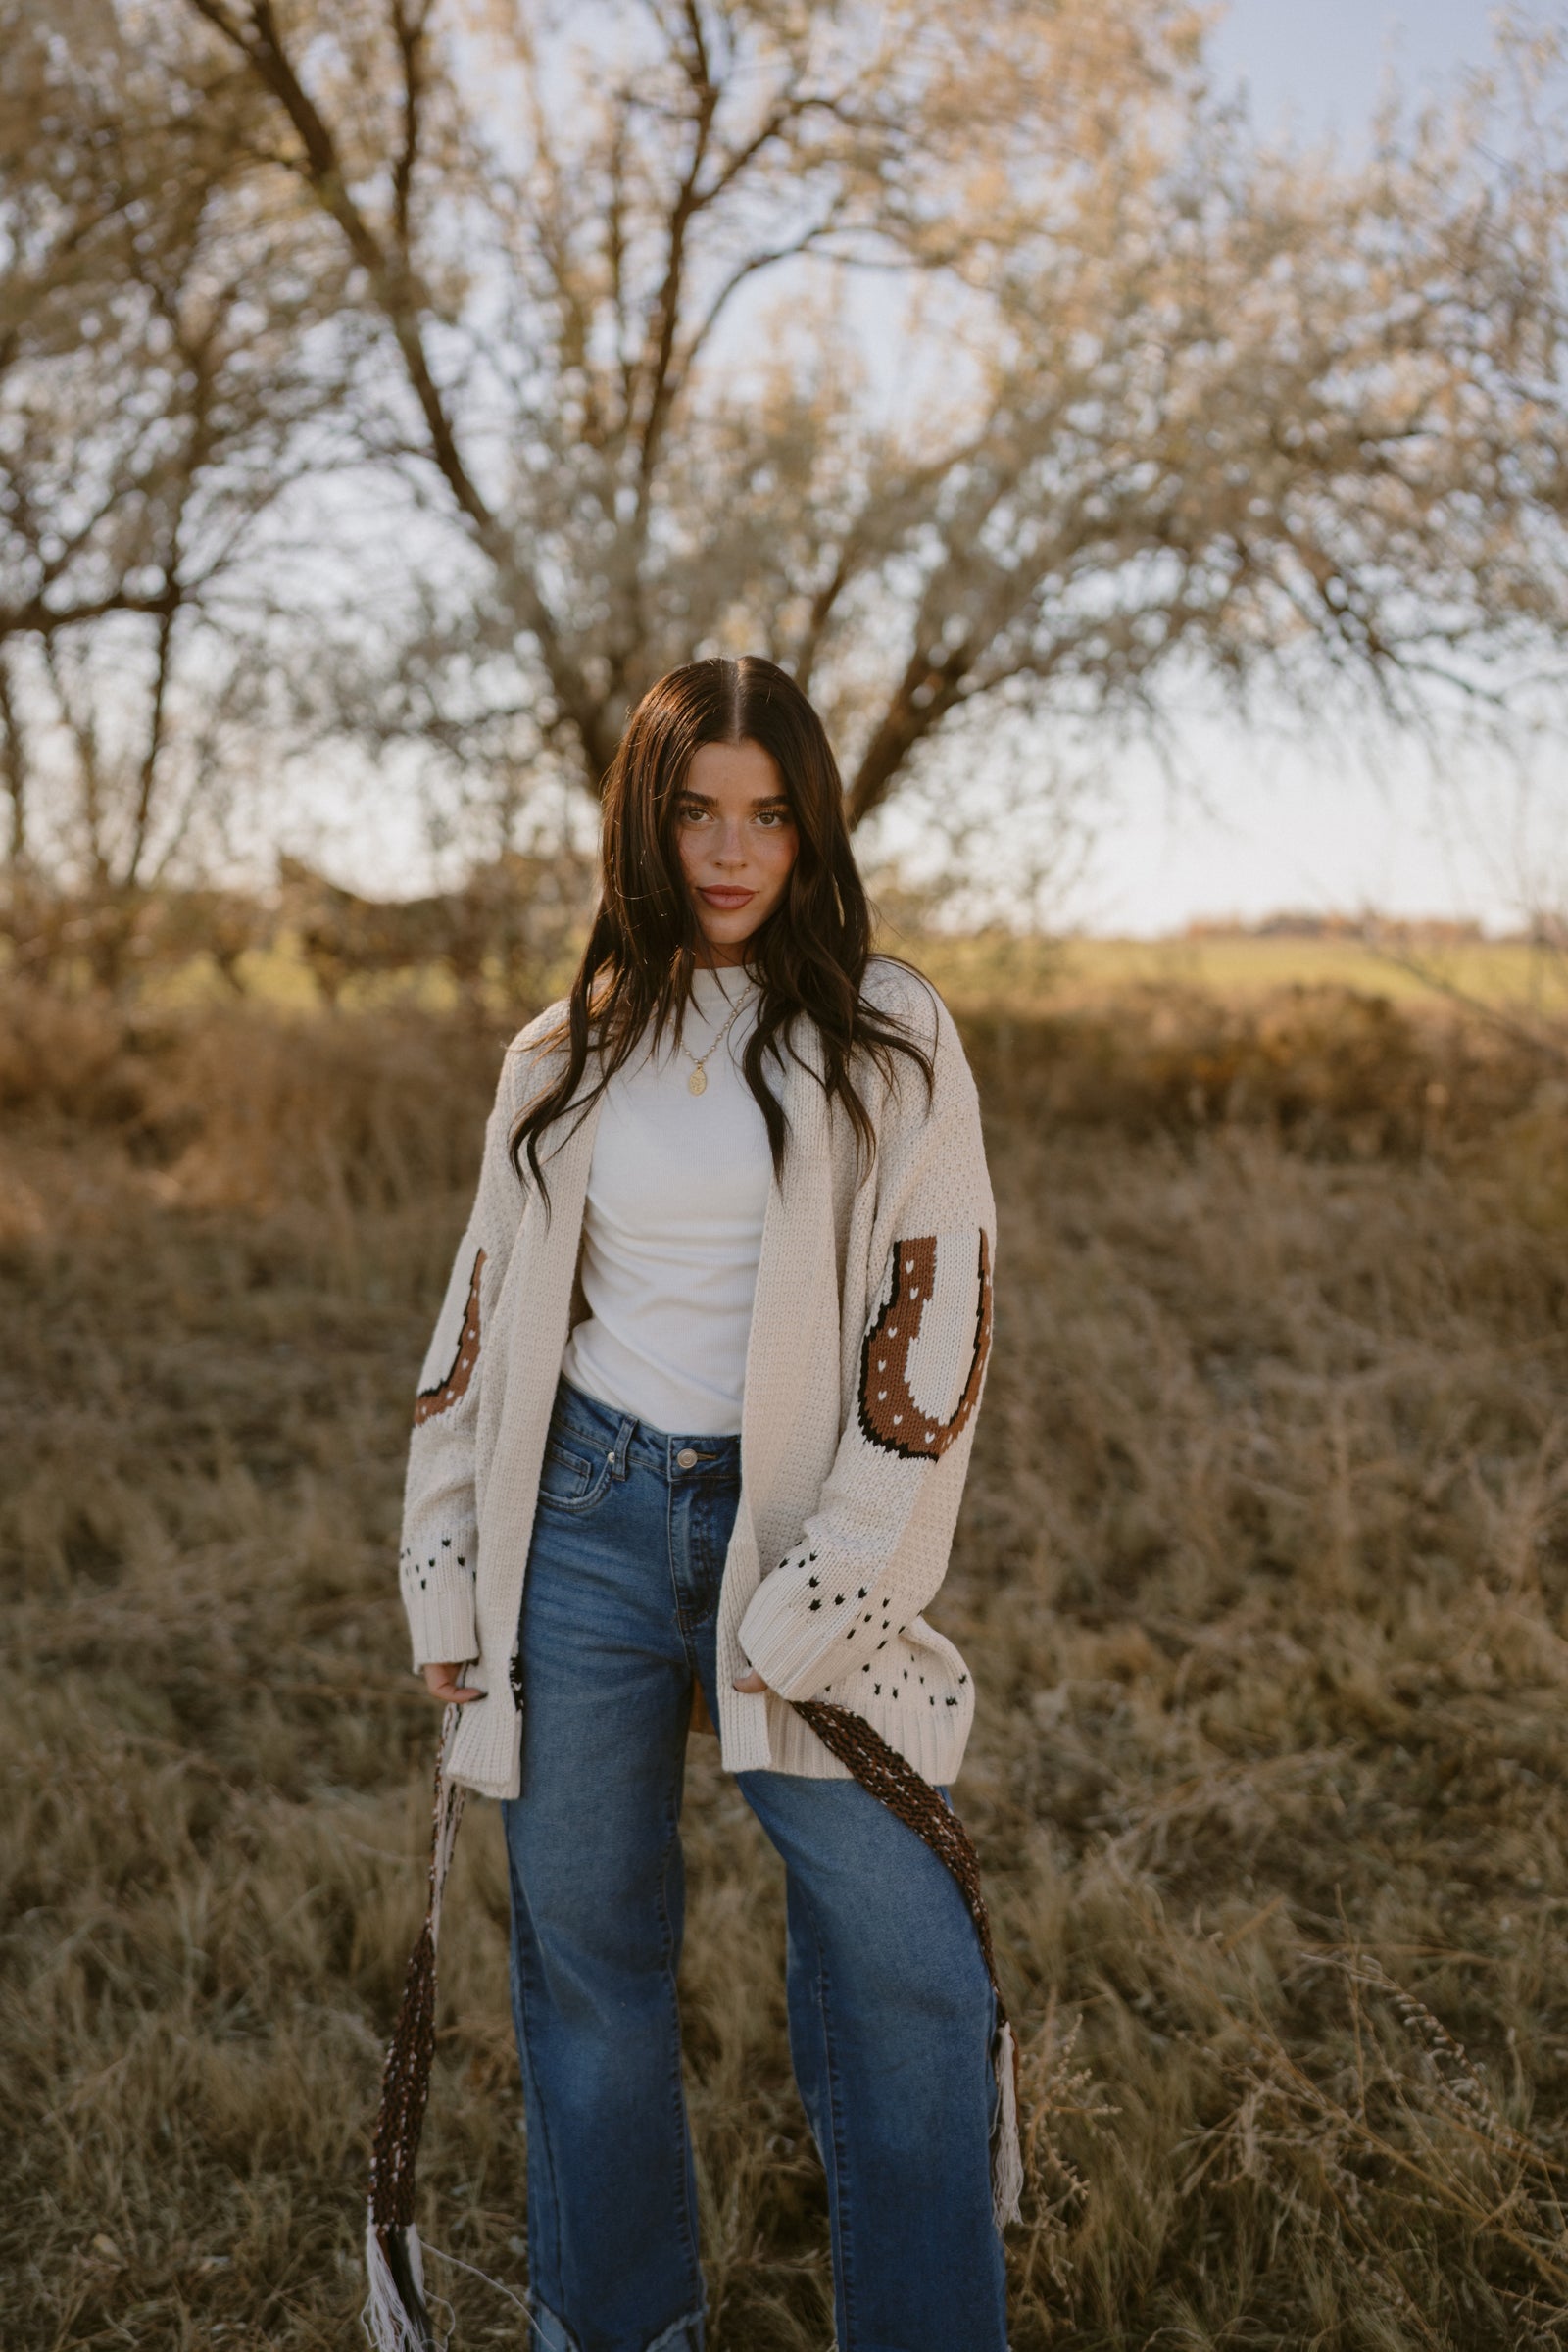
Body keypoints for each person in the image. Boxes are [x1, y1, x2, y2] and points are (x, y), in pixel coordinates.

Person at [397, 656, 1006, 2352]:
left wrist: (833, 1588)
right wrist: (450, 1582)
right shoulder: (564, 1050)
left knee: (904, 1966)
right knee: (589, 1969)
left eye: (768, 814)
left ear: (811, 830)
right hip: (579, 1526)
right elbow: (480, 1324)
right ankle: (620, 2330)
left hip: (793, 1533)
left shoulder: (888, 1032)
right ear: (643, 829)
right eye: (694, 812)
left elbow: (932, 1331)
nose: (731, 852)